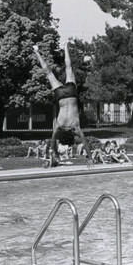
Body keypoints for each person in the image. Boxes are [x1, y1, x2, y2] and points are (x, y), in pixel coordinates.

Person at [33, 41, 93, 169]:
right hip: (64, 95)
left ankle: (62, 48)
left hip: (70, 95)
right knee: (50, 73)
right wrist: (90, 159)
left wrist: (54, 153)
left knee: (63, 70)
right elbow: (54, 140)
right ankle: (37, 51)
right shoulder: (63, 126)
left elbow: (53, 141)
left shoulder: (73, 126)